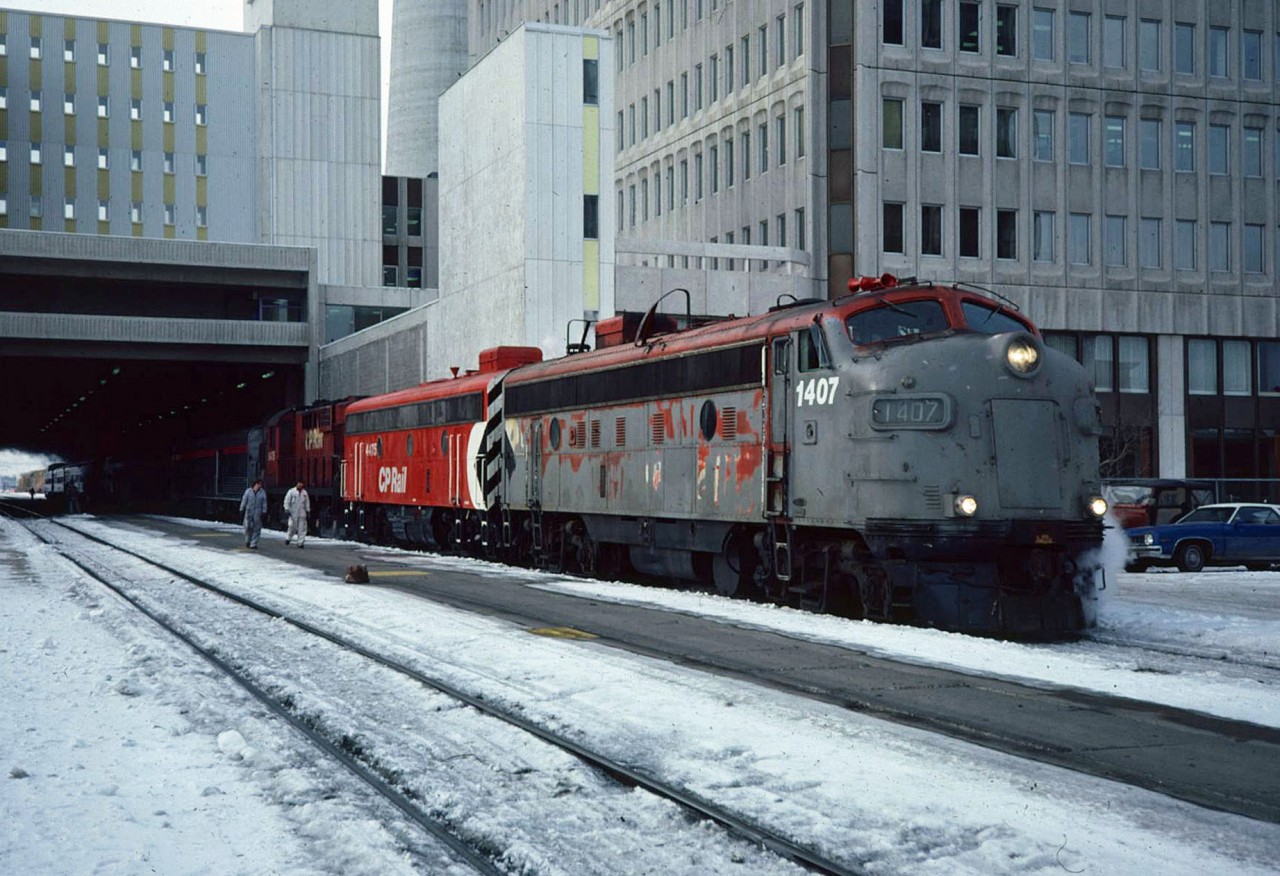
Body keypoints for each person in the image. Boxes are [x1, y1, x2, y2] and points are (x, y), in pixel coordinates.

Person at [239, 479, 267, 549]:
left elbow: (264, 502)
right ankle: (248, 540)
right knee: (248, 527)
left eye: (261, 484)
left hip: (258, 512)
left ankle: (253, 543)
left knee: (257, 528)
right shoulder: (248, 491)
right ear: (255, 484)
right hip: (249, 512)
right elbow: (244, 500)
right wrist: (241, 509)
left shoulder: (262, 492)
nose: (260, 486)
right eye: (259, 484)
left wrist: (264, 511)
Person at [283, 480, 311, 548]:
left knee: (302, 528)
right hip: (293, 513)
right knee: (291, 526)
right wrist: (286, 508)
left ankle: (300, 543)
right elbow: (287, 500)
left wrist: (308, 510)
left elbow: (307, 503)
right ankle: (288, 538)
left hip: (302, 513)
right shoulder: (291, 492)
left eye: (301, 484)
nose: (300, 485)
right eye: (299, 484)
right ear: (297, 484)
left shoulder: (305, 493)